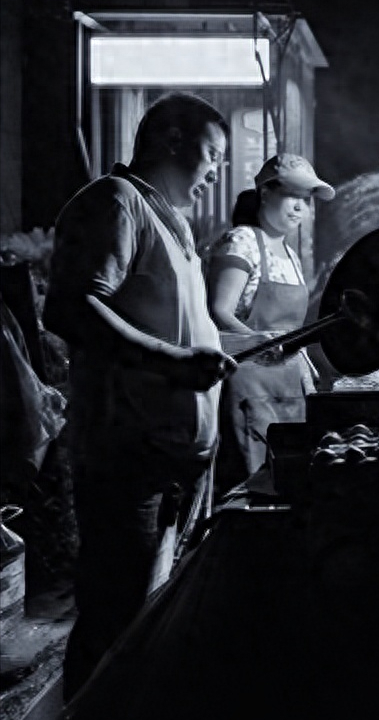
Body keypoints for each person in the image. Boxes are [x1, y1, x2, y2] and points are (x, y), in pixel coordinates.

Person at [42, 92, 238, 701]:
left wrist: (249, 343)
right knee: (116, 619)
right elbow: (71, 306)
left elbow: (178, 325)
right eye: (212, 154)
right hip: (129, 460)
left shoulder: (171, 222)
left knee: (149, 624)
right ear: (173, 140)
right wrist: (173, 362)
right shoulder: (116, 201)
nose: (216, 172)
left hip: (174, 462)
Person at [205, 154, 334, 493]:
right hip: (249, 387)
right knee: (249, 488)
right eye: (292, 195)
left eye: (306, 200)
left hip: (288, 388)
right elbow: (219, 311)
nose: (300, 207)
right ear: (265, 193)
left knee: (288, 485)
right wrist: (261, 344)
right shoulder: (242, 240)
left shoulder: (290, 255)